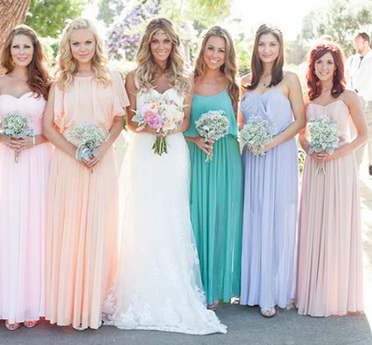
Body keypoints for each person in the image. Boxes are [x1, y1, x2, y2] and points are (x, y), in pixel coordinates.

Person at [104, 18, 226, 335]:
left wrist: (168, 126)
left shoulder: (184, 78)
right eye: (156, 41)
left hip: (172, 153)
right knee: (143, 217)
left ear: (174, 44)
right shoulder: (133, 77)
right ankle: (140, 289)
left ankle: (174, 290)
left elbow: (185, 120)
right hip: (144, 152)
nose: (161, 47)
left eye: (166, 41)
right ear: (148, 44)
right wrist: (149, 125)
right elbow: (130, 122)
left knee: (171, 217)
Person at [42, 18, 129, 331]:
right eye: (76, 43)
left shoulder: (112, 78)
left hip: (103, 163)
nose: (82, 49)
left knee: (100, 230)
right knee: (70, 233)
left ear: (96, 44)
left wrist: (102, 148)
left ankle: (97, 304)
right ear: (68, 46)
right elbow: (48, 127)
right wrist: (75, 151)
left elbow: (119, 120)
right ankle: (68, 304)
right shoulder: (60, 82)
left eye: (87, 42)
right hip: (68, 163)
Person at [0, 25, 52, 330]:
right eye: (16, 47)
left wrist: (33, 141)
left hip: (38, 159)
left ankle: (33, 303)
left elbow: (53, 129)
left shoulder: (47, 84)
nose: (21, 52)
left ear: (35, 50)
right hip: (10, 162)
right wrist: (4, 139)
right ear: (8, 50)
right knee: (10, 225)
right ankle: (9, 303)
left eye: (26, 47)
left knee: (37, 227)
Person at [296, 42, 367, 317]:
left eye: (328, 62)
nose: (323, 68)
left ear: (337, 66)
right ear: (312, 67)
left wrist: (337, 153)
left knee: (337, 224)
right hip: (315, 166)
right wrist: (310, 149)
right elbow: (301, 134)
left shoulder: (348, 96)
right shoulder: (308, 97)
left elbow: (363, 135)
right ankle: (313, 289)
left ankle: (337, 292)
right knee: (315, 222)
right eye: (318, 63)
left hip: (340, 166)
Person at [239, 24, 305, 318]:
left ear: (281, 48)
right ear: (256, 47)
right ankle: (252, 288)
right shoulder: (245, 81)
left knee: (277, 217)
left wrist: (270, 144)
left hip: (279, 156)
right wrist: (250, 140)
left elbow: (299, 121)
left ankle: (272, 292)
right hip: (252, 158)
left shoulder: (290, 79)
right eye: (262, 44)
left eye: (272, 44)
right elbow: (240, 123)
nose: (267, 49)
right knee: (254, 216)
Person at [184, 26, 243, 310]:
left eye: (221, 50)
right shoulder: (188, 82)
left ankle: (218, 287)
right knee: (195, 216)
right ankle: (196, 283)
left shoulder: (233, 84)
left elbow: (238, 125)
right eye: (211, 48)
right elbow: (180, 125)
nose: (215, 55)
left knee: (221, 217)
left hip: (226, 158)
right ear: (202, 49)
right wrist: (195, 138)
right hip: (196, 157)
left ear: (227, 54)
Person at [346, 32, 372, 174]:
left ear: (366, 42)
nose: (355, 45)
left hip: (369, 100)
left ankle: (358, 166)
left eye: (358, 42)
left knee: (364, 134)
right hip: (353, 100)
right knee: (355, 133)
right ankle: (357, 166)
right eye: (354, 42)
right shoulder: (351, 59)